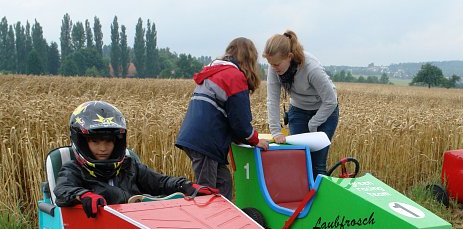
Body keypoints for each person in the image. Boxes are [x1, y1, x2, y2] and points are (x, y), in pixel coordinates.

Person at [54, 101, 217, 218]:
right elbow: (63, 190)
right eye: (95, 142)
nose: (103, 148)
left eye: (109, 141)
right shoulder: (73, 169)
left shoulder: (130, 166)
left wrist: (186, 185)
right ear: (82, 142)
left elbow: (160, 182)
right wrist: (83, 195)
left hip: (135, 227)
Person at [175, 37, 269, 200]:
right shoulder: (234, 76)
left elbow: (224, 114)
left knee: (223, 183)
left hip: (196, 138)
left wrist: (239, 138)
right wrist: (254, 140)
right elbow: (240, 121)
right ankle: (206, 217)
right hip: (206, 142)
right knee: (207, 193)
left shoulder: (215, 71)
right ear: (249, 59)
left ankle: (224, 214)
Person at [263, 30, 339, 178]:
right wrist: (276, 131)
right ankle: (300, 193)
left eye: (277, 64)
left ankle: (318, 193)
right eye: (270, 64)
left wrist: (314, 123)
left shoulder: (311, 68)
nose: (273, 68)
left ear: (289, 57)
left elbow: (331, 101)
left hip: (325, 111)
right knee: (299, 160)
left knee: (317, 164)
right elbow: (272, 100)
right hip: (298, 110)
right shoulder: (274, 68)